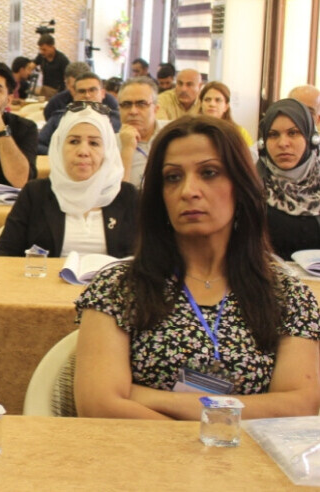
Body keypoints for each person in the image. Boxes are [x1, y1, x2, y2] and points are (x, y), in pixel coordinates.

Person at [74, 115, 320, 420]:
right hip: (141, 453)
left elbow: (298, 409)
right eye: (172, 177)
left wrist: (144, 396)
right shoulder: (117, 288)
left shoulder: (287, 295)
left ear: (241, 186)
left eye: (209, 173)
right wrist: (225, 424)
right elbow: (98, 406)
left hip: (239, 456)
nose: (188, 190)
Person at [0, 107, 137, 257]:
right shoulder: (35, 193)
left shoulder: (127, 195)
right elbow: (4, 253)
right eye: (74, 141)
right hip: (48, 273)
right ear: (59, 147)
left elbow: (143, 257)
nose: (83, 151)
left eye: (94, 143)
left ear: (108, 151)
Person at [257, 99, 320, 260]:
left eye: (293, 133)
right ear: (263, 143)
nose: (283, 143)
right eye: (273, 135)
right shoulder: (251, 187)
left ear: (310, 138)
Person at [38, 73, 121, 155]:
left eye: (92, 90)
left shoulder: (118, 120)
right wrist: (61, 156)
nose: (87, 95)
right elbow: (38, 144)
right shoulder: (59, 118)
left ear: (102, 93)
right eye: (82, 91)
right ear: (74, 95)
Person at [116, 77, 166, 187]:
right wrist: (127, 149)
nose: (133, 111)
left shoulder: (172, 134)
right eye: (126, 104)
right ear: (119, 110)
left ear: (156, 109)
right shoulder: (108, 144)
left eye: (141, 104)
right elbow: (115, 194)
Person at [199, 81, 253, 146]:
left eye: (218, 100)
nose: (212, 104)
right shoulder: (193, 131)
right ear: (201, 104)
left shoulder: (239, 133)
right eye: (207, 100)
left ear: (226, 106)